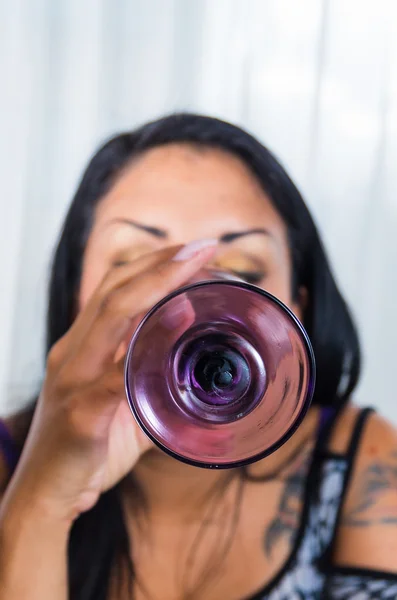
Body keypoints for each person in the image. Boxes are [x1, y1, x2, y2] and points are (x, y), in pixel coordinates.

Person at [0, 114, 396, 600]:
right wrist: (41, 505)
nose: (186, 308)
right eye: (133, 266)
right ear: (77, 297)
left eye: (242, 270)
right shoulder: (9, 466)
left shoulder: (362, 463)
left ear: (295, 308)